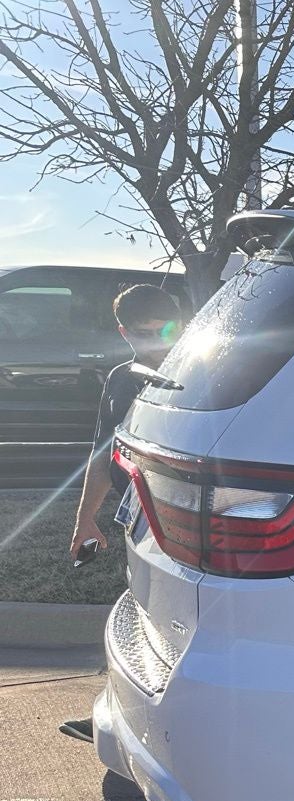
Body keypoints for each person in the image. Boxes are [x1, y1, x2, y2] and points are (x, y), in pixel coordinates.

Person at [58, 284, 183, 743]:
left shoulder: (209, 368)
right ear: (122, 331)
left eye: (163, 331)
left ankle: (162, 732)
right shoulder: (124, 377)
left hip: (192, 522)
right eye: (141, 334)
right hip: (144, 517)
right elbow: (104, 453)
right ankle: (125, 720)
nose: (154, 343)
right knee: (142, 620)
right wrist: (84, 519)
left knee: (173, 627)